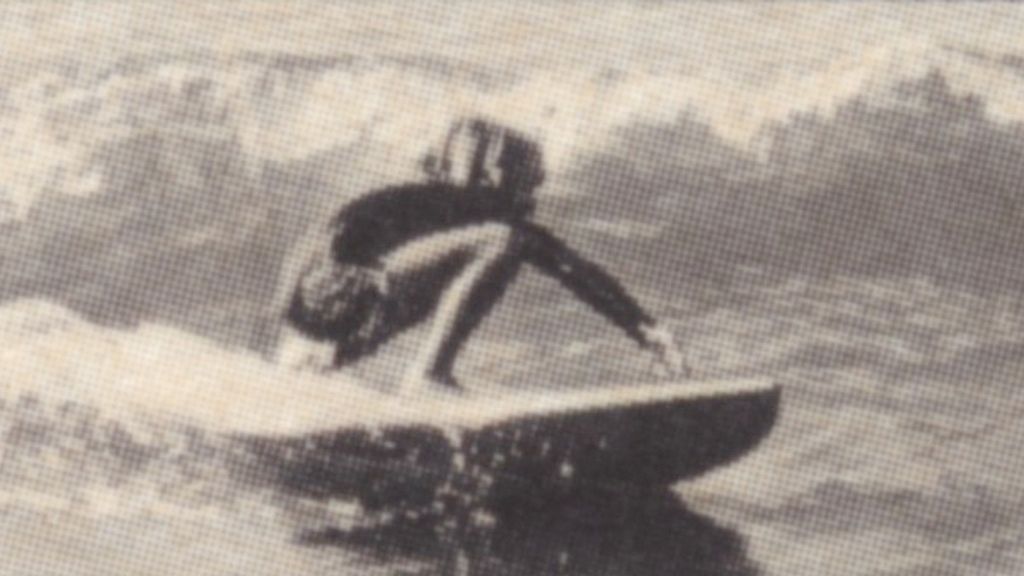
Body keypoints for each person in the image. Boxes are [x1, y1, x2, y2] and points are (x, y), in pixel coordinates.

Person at [272, 117, 686, 391]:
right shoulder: (476, 206)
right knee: (501, 242)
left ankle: (316, 367)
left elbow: (321, 237)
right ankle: (430, 377)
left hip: (315, 304)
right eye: (528, 179)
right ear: (499, 175)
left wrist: (296, 315)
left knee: (431, 283)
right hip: (340, 292)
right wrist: (647, 330)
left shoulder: (415, 199)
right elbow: (573, 270)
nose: (532, 193)